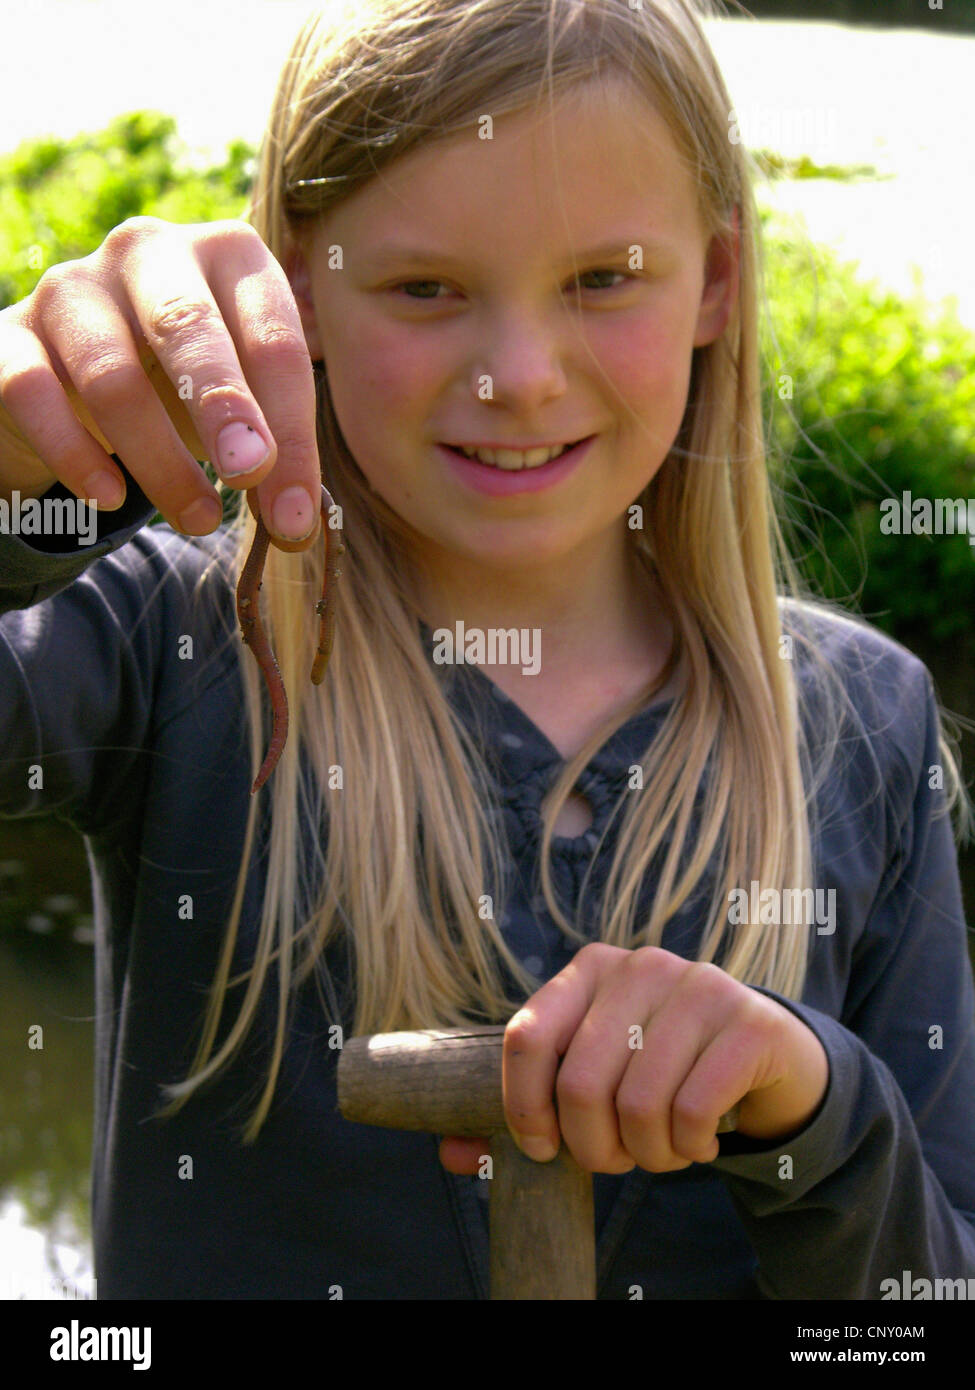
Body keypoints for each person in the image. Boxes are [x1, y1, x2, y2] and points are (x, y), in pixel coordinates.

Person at [1, 0, 973, 1301]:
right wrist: (27, 495)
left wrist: (816, 1108)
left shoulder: (870, 720)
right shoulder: (166, 645)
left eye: (602, 278)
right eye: (423, 287)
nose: (519, 373)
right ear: (298, 291)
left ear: (719, 281)